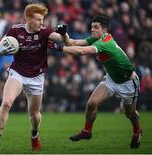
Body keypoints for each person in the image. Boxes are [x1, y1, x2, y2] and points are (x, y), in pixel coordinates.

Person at [0, 3, 67, 154]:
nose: (41, 23)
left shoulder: (45, 31)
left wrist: (63, 33)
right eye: (38, 19)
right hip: (17, 72)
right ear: (28, 18)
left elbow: (62, 39)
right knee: (6, 103)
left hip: (37, 76)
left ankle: (34, 134)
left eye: (42, 20)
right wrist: (1, 50)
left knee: (34, 115)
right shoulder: (14, 30)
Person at [53, 15, 142, 149]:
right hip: (112, 79)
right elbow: (71, 43)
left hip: (128, 82)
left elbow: (82, 51)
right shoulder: (95, 39)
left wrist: (59, 49)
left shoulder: (106, 42)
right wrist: (63, 34)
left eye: (96, 27)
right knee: (92, 103)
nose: (92, 29)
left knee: (129, 113)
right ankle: (87, 131)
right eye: (92, 26)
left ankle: (137, 131)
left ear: (104, 31)